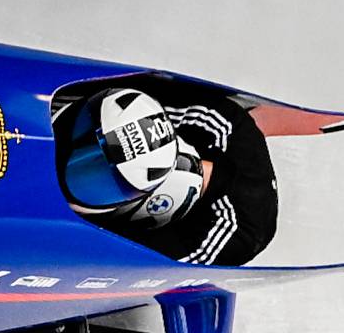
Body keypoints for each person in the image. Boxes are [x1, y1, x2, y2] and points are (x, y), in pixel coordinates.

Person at [55, 76, 276, 267]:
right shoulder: (216, 118)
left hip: (235, 229)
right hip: (223, 128)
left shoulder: (231, 234)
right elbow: (117, 99)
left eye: (101, 181)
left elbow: (132, 268)